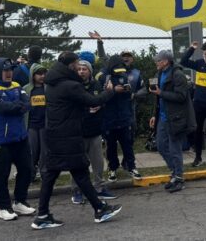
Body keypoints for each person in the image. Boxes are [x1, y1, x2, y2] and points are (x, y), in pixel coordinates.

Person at [33, 52, 121, 230]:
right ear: (70, 65)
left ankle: (42, 215)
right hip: (68, 136)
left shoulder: (51, 83)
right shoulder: (70, 85)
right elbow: (93, 100)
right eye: (76, 64)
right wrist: (109, 92)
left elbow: (66, 107)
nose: (78, 67)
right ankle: (99, 209)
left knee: (52, 175)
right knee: (80, 172)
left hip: (55, 134)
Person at [0, 57, 35, 221]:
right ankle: (4, 207)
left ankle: (20, 201)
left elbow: (28, 103)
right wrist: (17, 106)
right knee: (1, 175)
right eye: (5, 70)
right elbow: (2, 108)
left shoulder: (17, 86)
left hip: (19, 137)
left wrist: (17, 106)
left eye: (11, 70)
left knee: (27, 170)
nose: (9, 73)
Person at [140, 50, 195, 193]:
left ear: (165, 61)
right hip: (163, 118)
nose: (156, 63)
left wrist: (161, 93)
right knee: (160, 145)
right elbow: (158, 98)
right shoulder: (159, 74)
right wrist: (154, 115)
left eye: (158, 60)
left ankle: (178, 178)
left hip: (175, 118)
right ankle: (175, 172)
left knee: (174, 149)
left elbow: (182, 96)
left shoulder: (178, 75)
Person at [72, 60, 117, 204]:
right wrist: (87, 109)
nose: (81, 71)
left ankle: (99, 188)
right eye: (78, 69)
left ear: (90, 71)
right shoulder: (73, 86)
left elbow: (101, 101)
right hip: (79, 132)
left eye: (84, 69)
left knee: (98, 162)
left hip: (95, 131)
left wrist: (100, 106)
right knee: (78, 164)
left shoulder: (96, 85)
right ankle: (77, 191)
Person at [101, 55, 141, 181]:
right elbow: (101, 97)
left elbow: (129, 96)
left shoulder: (124, 76)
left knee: (127, 145)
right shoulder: (104, 77)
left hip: (124, 117)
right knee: (111, 147)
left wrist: (127, 91)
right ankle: (112, 168)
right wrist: (112, 90)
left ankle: (131, 166)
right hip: (109, 119)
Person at [24, 64, 48, 181]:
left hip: (45, 125)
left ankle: (44, 174)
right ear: (32, 75)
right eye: (39, 74)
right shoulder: (26, 89)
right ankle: (30, 174)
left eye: (44, 73)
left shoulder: (48, 88)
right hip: (31, 125)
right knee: (32, 151)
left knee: (45, 152)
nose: (42, 76)